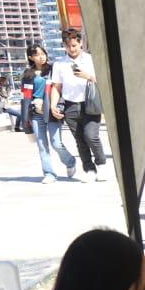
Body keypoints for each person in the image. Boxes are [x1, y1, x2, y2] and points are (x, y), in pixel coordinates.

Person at [49, 28, 108, 181]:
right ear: (64, 46)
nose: (72, 49)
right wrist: (53, 105)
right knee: (80, 140)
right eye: (68, 46)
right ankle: (89, 170)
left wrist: (89, 76)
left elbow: (105, 81)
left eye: (74, 45)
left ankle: (101, 165)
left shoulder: (91, 60)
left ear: (80, 43)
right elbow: (56, 87)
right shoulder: (59, 64)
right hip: (70, 106)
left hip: (90, 103)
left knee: (91, 136)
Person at [23, 43, 76, 182]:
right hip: (36, 114)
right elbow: (26, 96)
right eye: (37, 55)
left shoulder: (53, 69)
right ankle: (49, 174)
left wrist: (58, 106)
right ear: (31, 57)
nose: (41, 57)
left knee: (56, 143)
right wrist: (26, 117)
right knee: (42, 145)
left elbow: (61, 89)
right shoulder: (28, 74)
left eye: (43, 54)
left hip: (52, 111)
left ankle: (70, 161)